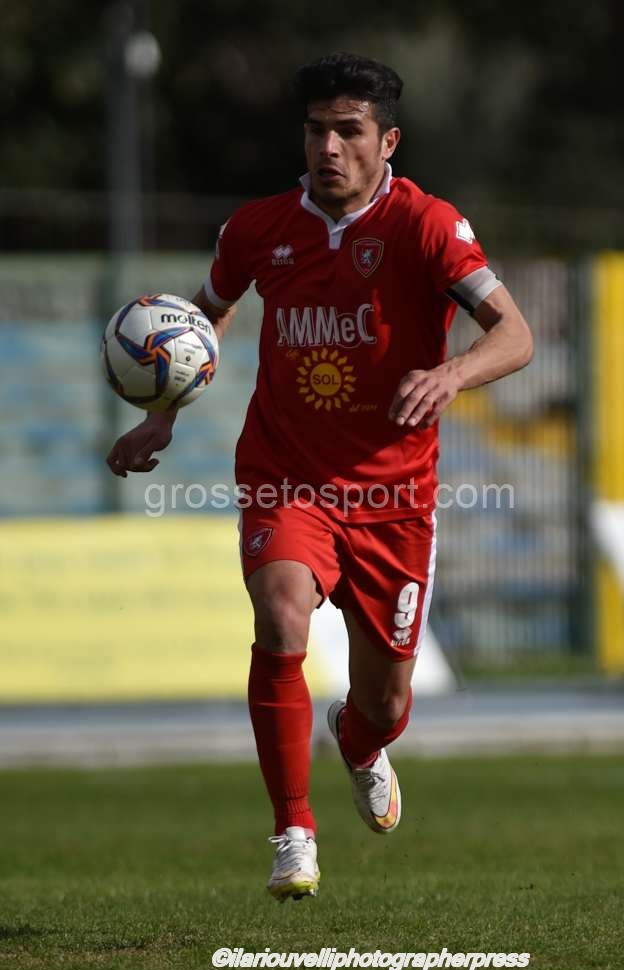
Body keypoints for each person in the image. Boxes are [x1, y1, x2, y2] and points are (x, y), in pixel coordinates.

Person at [106, 52, 533, 902]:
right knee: (280, 617)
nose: (329, 147)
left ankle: (360, 741)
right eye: (315, 131)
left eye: (349, 131)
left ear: (388, 142)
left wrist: (451, 374)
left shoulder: (427, 226)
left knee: (387, 702)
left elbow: (513, 334)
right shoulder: (257, 229)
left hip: (393, 495)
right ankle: (292, 832)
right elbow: (201, 320)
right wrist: (162, 412)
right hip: (286, 474)